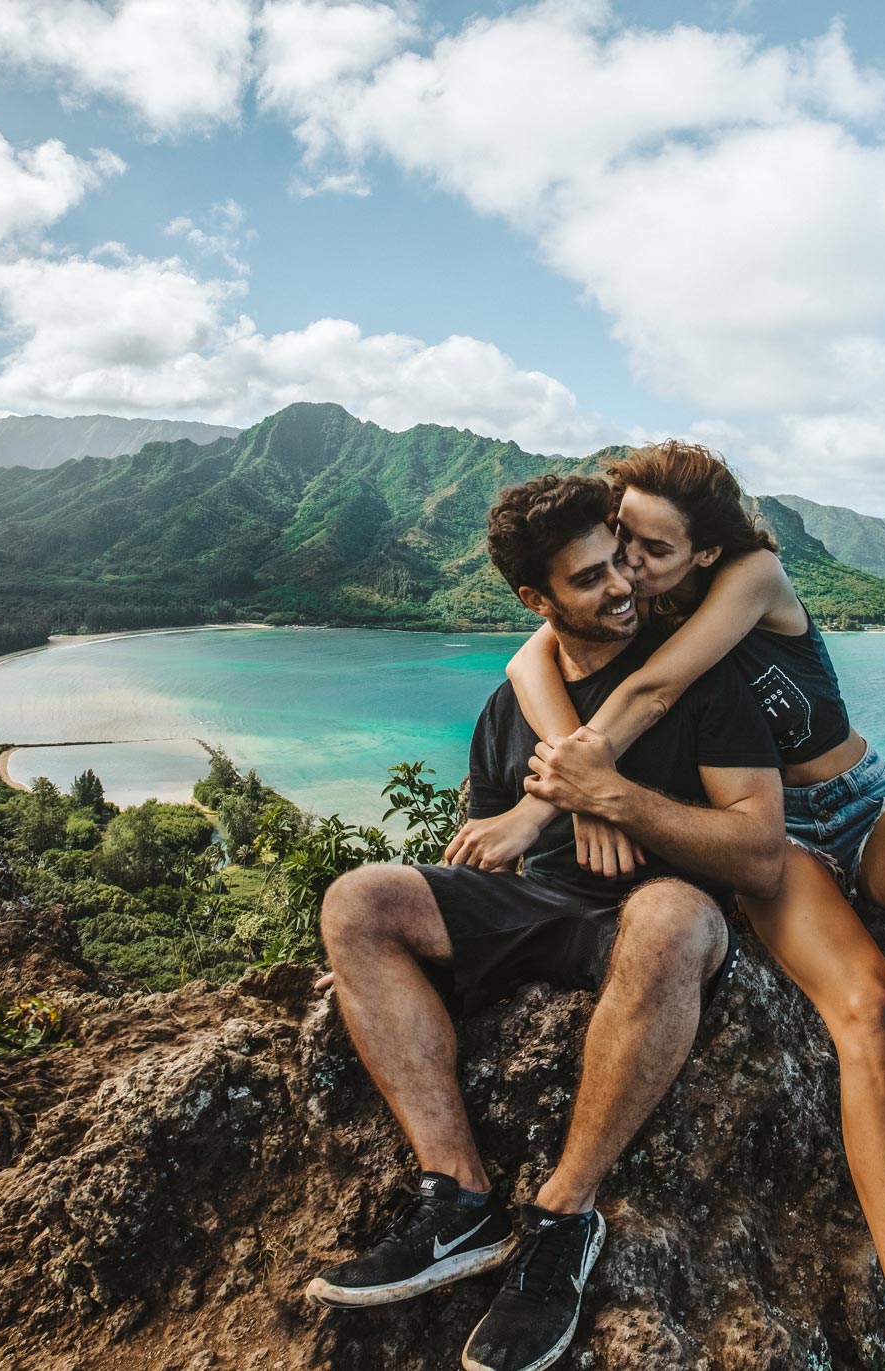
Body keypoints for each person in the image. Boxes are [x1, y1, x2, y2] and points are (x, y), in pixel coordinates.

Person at [454, 442, 885, 1366]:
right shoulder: (627, 607)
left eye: (650, 548)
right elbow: (528, 658)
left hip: (859, 806)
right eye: (619, 540)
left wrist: (561, 789)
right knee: (866, 1013)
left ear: (705, 552)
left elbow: (653, 693)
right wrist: (567, 789)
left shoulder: (749, 573)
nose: (626, 565)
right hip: (774, 846)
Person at [306, 472, 786, 1371]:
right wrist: (386, 960)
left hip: (661, 913)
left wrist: (618, 799)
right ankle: (459, 1200)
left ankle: (563, 1217)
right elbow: (485, 850)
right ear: (536, 599)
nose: (621, 588)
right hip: (548, 912)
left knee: (671, 919)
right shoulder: (513, 702)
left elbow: (762, 854)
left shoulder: (697, 676)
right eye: (589, 578)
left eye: (621, 562)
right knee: (355, 901)